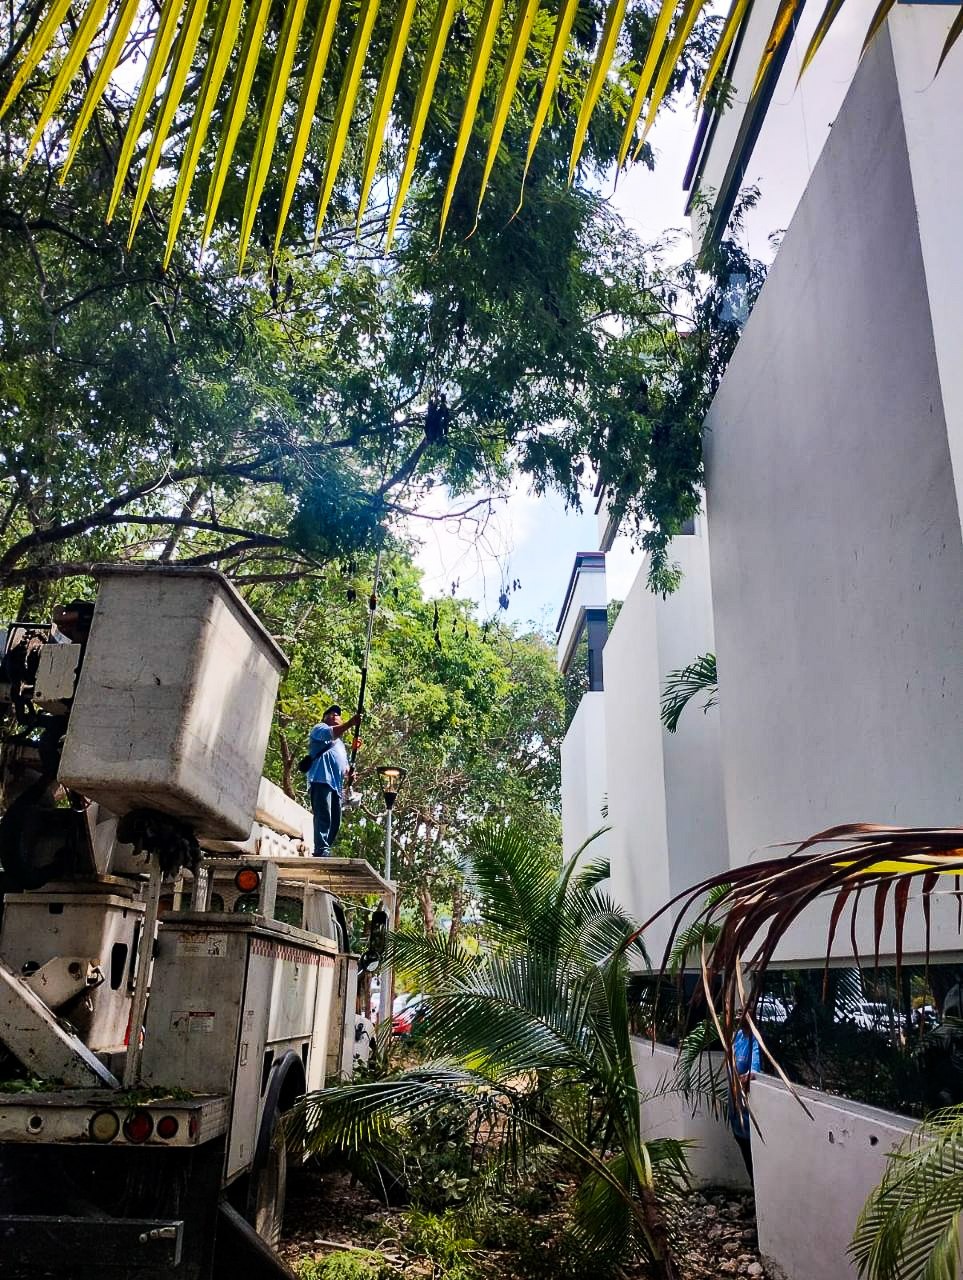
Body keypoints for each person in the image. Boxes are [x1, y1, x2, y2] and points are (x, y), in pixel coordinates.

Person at [307, 704, 360, 857]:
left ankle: (325, 848)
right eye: (330, 714)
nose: (334, 715)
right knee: (323, 814)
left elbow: (344, 769)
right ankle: (321, 849)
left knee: (335, 822)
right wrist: (350, 723)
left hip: (336, 786)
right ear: (325, 718)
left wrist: (349, 774)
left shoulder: (341, 746)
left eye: (337, 714)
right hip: (321, 779)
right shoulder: (319, 729)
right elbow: (331, 733)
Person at [729, 1026, 761, 1183]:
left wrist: (750, 1075)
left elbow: (755, 1070)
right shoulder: (737, 1037)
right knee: (746, 1155)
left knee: (753, 1157)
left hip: (750, 1115)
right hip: (736, 1112)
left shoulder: (756, 1039)